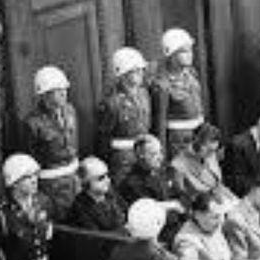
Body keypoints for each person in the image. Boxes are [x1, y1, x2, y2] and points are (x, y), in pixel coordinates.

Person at [24, 65, 80, 221]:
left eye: (64, 88)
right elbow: (32, 157)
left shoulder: (70, 111)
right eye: (58, 90)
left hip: (74, 177)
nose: (64, 93)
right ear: (45, 95)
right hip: (53, 184)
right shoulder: (33, 123)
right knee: (61, 221)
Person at [95, 47, 154, 179]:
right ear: (123, 74)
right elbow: (104, 139)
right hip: (123, 159)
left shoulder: (144, 93)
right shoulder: (111, 102)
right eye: (136, 70)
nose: (141, 73)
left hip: (145, 153)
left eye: (141, 69)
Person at [117, 135, 184, 243]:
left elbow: (178, 195)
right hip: (157, 234)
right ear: (141, 156)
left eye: (160, 152)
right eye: (154, 154)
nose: (160, 157)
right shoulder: (132, 183)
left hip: (177, 224)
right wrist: (171, 205)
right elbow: (148, 211)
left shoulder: (161, 171)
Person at [153, 28, 205, 161]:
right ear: (171, 54)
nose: (190, 54)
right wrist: (161, 154)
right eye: (184, 51)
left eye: (190, 50)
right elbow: (160, 123)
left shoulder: (191, 74)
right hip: (179, 142)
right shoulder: (163, 85)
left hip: (199, 137)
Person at [173, 193, 243, 260]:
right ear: (197, 215)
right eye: (215, 217)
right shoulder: (185, 239)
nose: (220, 221)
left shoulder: (212, 227)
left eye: (222, 216)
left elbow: (226, 259)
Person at [170, 123, 239, 208]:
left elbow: (218, 184)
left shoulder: (210, 155)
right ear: (198, 144)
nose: (213, 154)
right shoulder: (178, 165)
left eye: (215, 150)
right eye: (210, 150)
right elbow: (182, 196)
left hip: (222, 203)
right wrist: (211, 198)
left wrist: (235, 199)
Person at [67, 156, 126, 232]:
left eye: (107, 175)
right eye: (101, 178)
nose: (108, 180)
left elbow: (126, 211)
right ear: (86, 182)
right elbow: (97, 238)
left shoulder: (111, 194)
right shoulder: (79, 208)